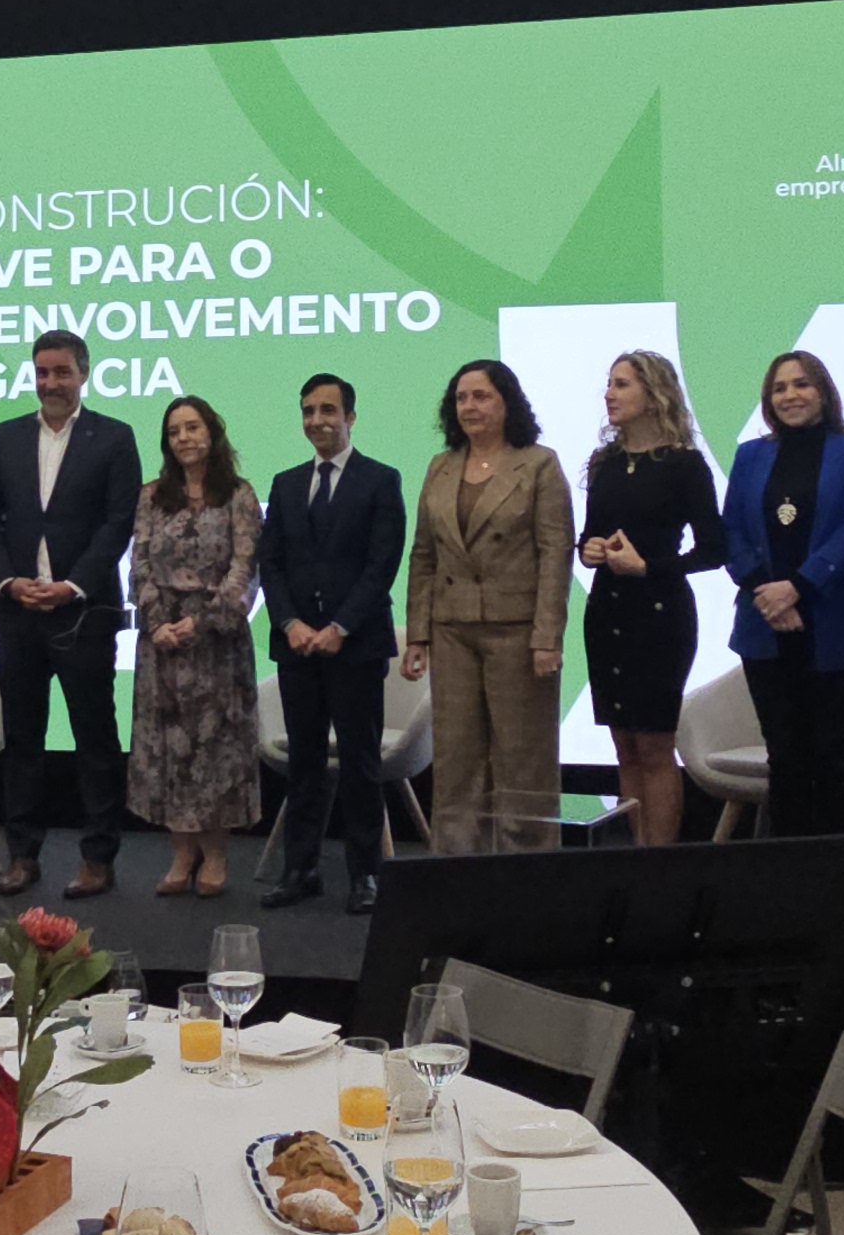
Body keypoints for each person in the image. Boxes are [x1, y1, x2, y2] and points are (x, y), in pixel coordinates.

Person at [0, 330, 143, 900]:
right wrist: (6, 580)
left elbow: (118, 522)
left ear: (83, 374)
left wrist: (73, 585)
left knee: (95, 738)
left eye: (62, 372)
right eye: (42, 372)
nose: (51, 382)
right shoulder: (5, 436)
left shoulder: (114, 437)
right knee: (23, 739)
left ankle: (98, 858)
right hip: (17, 612)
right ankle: (23, 855)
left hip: (83, 613)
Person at [404, 360, 571, 853]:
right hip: (451, 628)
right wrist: (418, 634)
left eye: (481, 396)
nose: (469, 407)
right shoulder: (441, 466)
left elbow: (555, 554)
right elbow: (424, 554)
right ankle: (456, 868)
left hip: (518, 632)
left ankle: (528, 869)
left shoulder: (538, 464)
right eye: (461, 398)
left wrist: (547, 637)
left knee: (523, 758)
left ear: (507, 403)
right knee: (455, 758)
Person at [258, 373, 405, 911]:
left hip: (356, 647)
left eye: (327, 410)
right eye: (308, 411)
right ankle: (300, 870)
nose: (316, 420)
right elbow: (271, 564)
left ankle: (365, 875)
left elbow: (381, 565)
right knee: (305, 764)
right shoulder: (286, 483)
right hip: (297, 647)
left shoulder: (380, 480)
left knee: (361, 765)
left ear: (350, 417)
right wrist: (290, 623)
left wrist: (340, 627)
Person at [724, 351, 844, 837]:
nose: (790, 395)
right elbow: (731, 531)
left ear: (823, 392)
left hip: (835, 625)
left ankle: (840, 874)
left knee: (833, 758)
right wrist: (768, 595)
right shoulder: (750, 456)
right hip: (763, 628)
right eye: (779, 388)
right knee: (785, 757)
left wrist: (797, 587)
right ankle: (787, 875)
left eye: (801, 384)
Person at [578, 352, 722, 847]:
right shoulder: (605, 462)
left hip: (660, 615)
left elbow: (714, 549)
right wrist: (589, 549)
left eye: (621, 384)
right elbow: (590, 534)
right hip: (607, 611)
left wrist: (648, 567)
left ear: (653, 393)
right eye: (609, 383)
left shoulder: (685, 464)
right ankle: (636, 856)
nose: (609, 394)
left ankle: (659, 864)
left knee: (655, 745)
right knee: (624, 746)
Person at [127, 397, 263, 897]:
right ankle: (182, 854)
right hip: (161, 644)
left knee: (215, 750)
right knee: (167, 750)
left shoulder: (239, 495)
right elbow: (139, 563)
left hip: (216, 645)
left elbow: (245, 569)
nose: (183, 437)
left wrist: (200, 623)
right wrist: (157, 623)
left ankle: (216, 854)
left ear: (212, 433)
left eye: (192, 427)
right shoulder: (151, 495)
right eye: (174, 431)